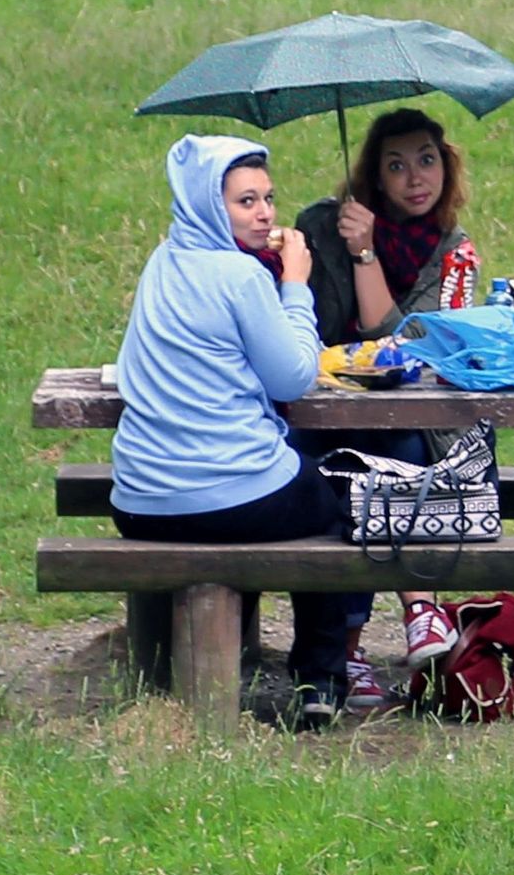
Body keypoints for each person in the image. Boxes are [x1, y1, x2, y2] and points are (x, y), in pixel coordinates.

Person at [110, 133, 352, 727]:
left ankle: (176, 662)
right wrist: (295, 283)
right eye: (245, 201)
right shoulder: (242, 277)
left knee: (294, 471)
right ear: (205, 205)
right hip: (229, 499)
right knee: (338, 503)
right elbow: (294, 378)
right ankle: (319, 679)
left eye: (268, 198)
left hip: (139, 502)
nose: (266, 213)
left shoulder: (162, 263)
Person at [294, 108, 481, 710]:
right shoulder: (322, 229)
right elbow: (309, 328)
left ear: (446, 166)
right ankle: (389, 625)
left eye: (426, 160)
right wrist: (351, 248)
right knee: (355, 471)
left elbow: (407, 344)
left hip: (412, 423)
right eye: (395, 166)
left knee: (397, 454)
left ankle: (391, 626)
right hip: (325, 414)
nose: (414, 178)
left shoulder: (453, 252)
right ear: (374, 177)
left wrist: (369, 256)